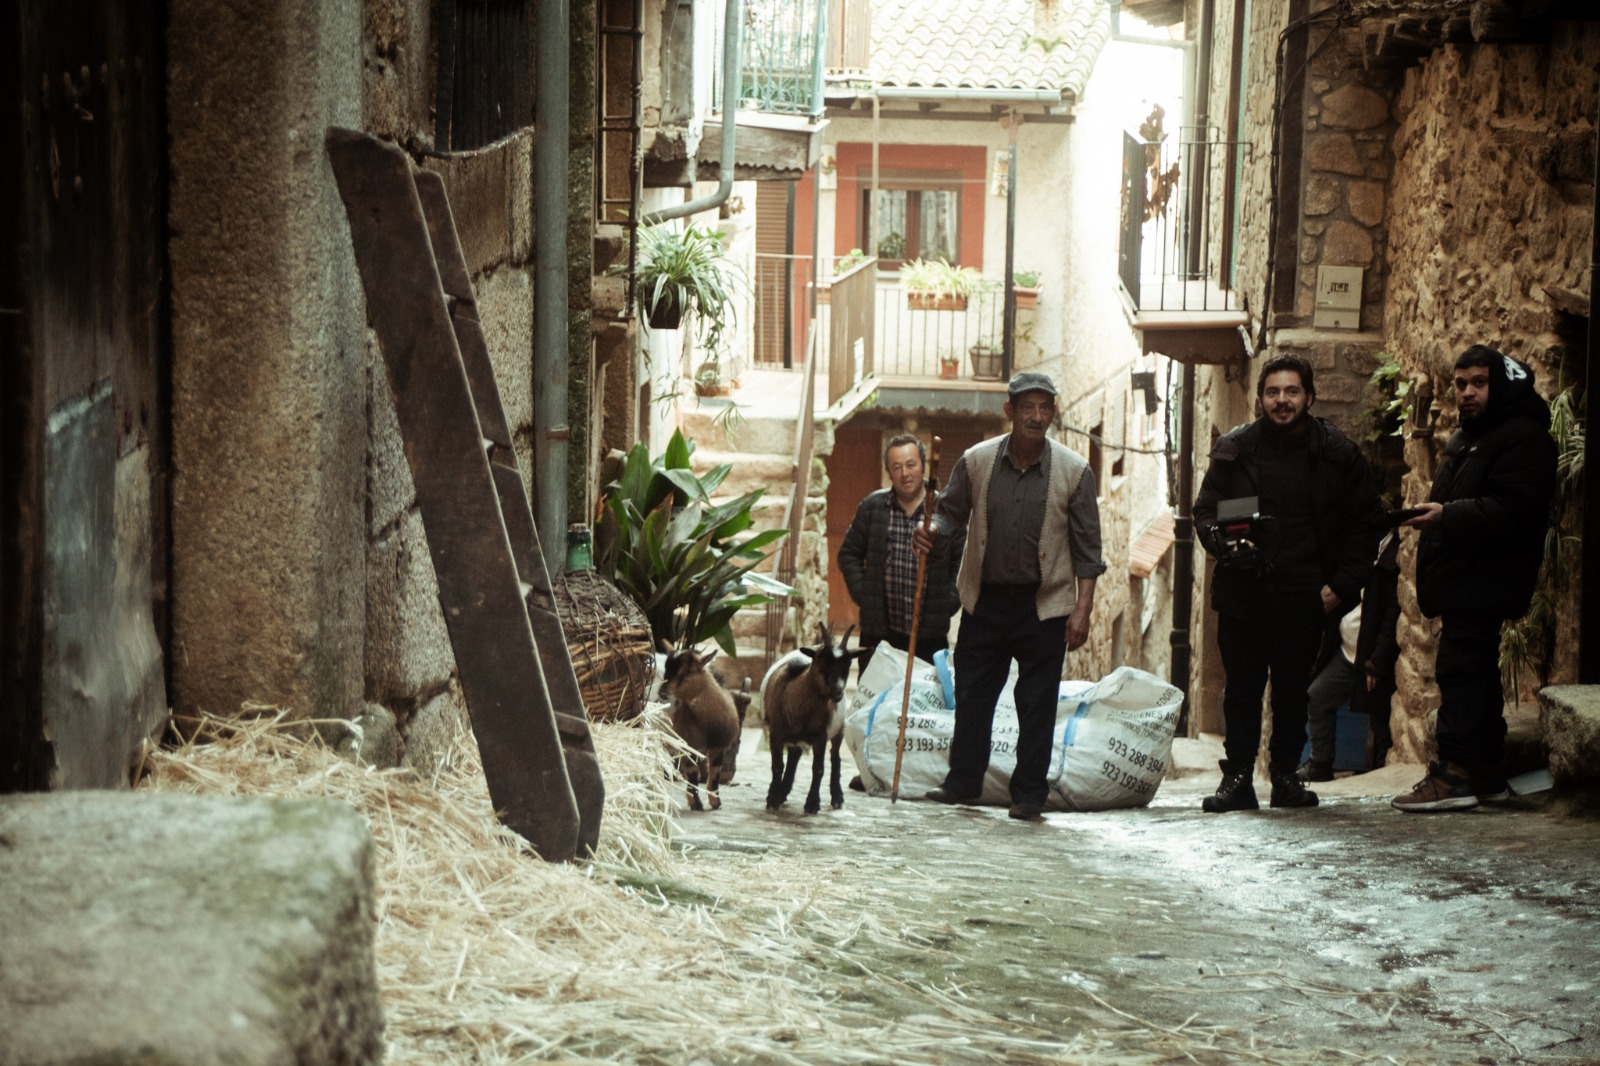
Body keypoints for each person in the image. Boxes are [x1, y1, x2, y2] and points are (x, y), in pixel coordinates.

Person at [1193, 354, 1384, 813]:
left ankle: (1285, 779)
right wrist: (1224, 546)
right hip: (1245, 594)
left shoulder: (1337, 454)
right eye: (1274, 392)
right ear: (1261, 399)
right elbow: (1204, 513)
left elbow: (1366, 524)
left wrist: (1340, 585)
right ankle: (1237, 779)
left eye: (1292, 392)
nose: (1282, 401)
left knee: (1292, 693)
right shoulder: (1235, 451)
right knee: (1241, 691)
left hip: (1305, 596)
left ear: (1309, 397)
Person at [912, 372, 1106, 822]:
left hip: (1045, 606)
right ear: (1010, 412)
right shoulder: (977, 461)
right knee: (975, 695)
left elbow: (1088, 549)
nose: (1037, 417)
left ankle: (1029, 795)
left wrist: (1082, 610)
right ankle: (963, 781)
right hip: (987, 599)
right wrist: (931, 533)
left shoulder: (1074, 471)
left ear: (1053, 414)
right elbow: (950, 515)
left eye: (1045, 408)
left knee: (1037, 703)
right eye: (1028, 408)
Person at [1392, 345, 1557, 812]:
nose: (1466, 392)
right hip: (1464, 580)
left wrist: (1447, 516)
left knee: (1461, 674)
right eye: (1461, 383)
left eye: (1478, 383)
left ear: (1498, 385)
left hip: (1486, 579)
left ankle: (1454, 777)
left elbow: (1516, 510)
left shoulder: (1523, 438)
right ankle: (1486, 775)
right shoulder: (1471, 437)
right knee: (1476, 676)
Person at [837, 433, 964, 665]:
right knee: (877, 700)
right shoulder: (872, 507)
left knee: (923, 700)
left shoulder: (946, 510)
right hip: (879, 637)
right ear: (889, 473)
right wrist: (865, 595)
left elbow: (963, 561)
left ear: (924, 467)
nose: (905, 474)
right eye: (896, 467)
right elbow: (848, 553)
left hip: (929, 639)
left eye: (910, 465)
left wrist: (948, 603)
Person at [1297, 531, 1402, 782]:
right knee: (1317, 696)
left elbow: (1391, 619)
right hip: (1347, 652)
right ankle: (1321, 762)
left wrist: (1376, 662)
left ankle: (1382, 776)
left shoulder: (1390, 562)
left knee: (1380, 717)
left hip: (1370, 656)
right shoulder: (1359, 554)